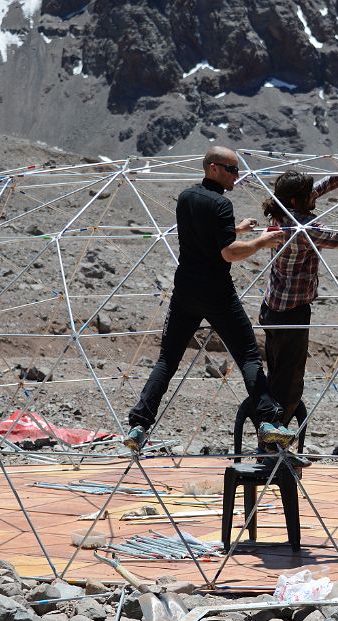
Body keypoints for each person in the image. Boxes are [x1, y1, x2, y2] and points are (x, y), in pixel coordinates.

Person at [124, 146, 293, 452]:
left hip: (185, 290)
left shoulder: (187, 197)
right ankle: (268, 421)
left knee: (167, 360)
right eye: (232, 170)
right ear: (213, 168)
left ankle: (138, 425)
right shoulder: (220, 205)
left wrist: (234, 229)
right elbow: (228, 252)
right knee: (248, 357)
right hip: (217, 292)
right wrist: (259, 241)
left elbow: (201, 233)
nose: (237, 177)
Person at [258, 168, 338, 437]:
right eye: (308, 194)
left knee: (278, 376)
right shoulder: (304, 229)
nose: (314, 196)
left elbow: (322, 185)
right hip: (291, 315)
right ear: (297, 200)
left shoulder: (283, 209)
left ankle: (272, 444)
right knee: (289, 383)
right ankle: (274, 445)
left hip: (272, 309)